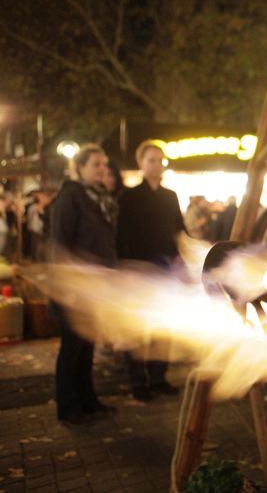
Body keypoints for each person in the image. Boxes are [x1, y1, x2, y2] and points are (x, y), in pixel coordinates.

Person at [48, 144, 117, 424]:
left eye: (104, 164)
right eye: (96, 164)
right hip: (74, 287)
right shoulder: (70, 197)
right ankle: (68, 407)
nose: (102, 169)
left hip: (94, 287)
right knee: (72, 349)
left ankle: (88, 400)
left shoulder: (96, 197)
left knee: (87, 346)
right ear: (79, 168)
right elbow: (60, 243)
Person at [116, 140, 184, 401]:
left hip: (166, 271)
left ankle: (158, 377)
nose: (156, 165)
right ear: (141, 163)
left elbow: (179, 232)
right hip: (138, 271)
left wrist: (183, 260)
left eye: (160, 160)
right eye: (151, 160)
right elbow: (120, 236)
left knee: (162, 327)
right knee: (138, 328)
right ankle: (137, 382)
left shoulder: (170, 196)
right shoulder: (129, 197)